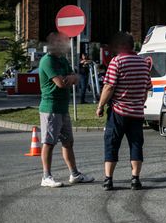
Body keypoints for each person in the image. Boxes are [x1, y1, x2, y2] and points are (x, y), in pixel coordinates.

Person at [96, 32, 152, 191]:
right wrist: (139, 103)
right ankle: (135, 179)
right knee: (136, 145)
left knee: (112, 144)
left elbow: (109, 86)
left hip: (118, 112)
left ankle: (109, 179)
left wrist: (100, 106)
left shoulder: (117, 62)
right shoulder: (143, 63)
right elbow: (147, 88)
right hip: (136, 113)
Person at [38, 32, 95, 188]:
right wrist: (70, 79)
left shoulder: (62, 59)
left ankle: (75, 174)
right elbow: (60, 83)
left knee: (68, 142)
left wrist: (71, 78)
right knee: (49, 142)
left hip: (63, 108)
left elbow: (75, 78)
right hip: (50, 108)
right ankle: (46, 176)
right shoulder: (47, 61)